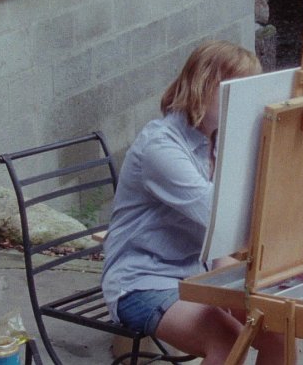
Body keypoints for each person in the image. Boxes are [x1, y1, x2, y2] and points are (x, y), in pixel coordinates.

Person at [102, 40, 285, 364]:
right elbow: (220, 216)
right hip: (141, 280)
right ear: (201, 85)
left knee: (279, 327)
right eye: (232, 88)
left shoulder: (217, 140)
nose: (242, 99)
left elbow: (224, 234)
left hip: (197, 273)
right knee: (227, 341)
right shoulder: (160, 147)